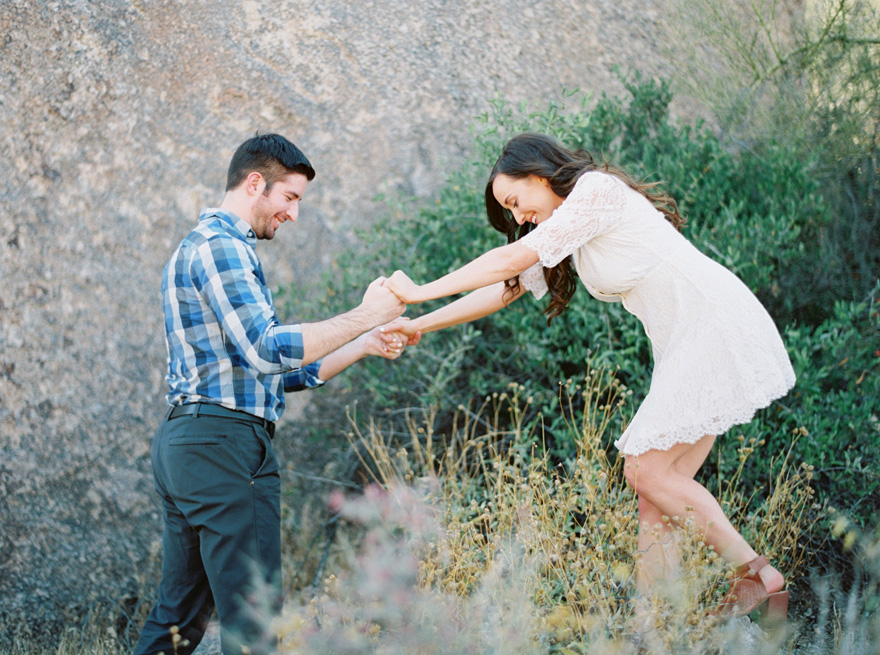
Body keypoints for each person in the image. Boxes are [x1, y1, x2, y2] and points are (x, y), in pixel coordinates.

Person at [381, 133, 796, 619]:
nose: (519, 218)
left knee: (643, 470)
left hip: (711, 324)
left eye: (515, 201)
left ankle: (756, 573)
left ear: (539, 176)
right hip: (686, 342)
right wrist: (419, 324)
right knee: (656, 490)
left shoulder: (596, 191)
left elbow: (509, 260)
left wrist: (419, 290)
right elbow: (506, 288)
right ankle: (655, 628)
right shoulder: (570, 229)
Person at [134, 133, 411, 655]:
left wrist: (365, 341)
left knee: (178, 618)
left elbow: (269, 374)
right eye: (290, 197)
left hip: (189, 443)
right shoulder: (222, 248)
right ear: (255, 183)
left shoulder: (205, 246)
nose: (294, 213)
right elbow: (267, 350)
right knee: (255, 620)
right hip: (223, 447)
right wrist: (365, 314)